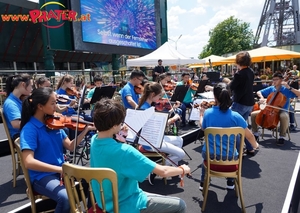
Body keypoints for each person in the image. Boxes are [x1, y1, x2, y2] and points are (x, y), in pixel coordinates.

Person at [90, 98, 190, 213]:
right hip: (126, 203)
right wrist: (183, 169)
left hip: (104, 201)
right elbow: (163, 171)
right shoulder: (125, 151)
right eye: (121, 122)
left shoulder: (94, 140)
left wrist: (121, 137)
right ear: (114, 126)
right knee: (180, 205)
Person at [19, 87, 95, 213]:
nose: (57, 106)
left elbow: (70, 146)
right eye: (53, 103)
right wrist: (60, 169)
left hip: (61, 170)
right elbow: (28, 162)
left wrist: (85, 130)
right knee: (65, 198)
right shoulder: (30, 129)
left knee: (93, 180)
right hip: (42, 176)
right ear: (40, 106)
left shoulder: (53, 123)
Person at [198, 82, 259, 190]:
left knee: (205, 161)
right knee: (233, 153)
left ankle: (203, 182)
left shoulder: (208, 113)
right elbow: (249, 136)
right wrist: (255, 145)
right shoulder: (236, 116)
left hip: (210, 155)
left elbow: (203, 128)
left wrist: (201, 114)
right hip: (230, 157)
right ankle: (230, 182)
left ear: (215, 96)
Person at [138, 82, 185, 169]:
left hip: (155, 138)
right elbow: (159, 125)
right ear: (153, 94)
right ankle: (158, 169)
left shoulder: (147, 105)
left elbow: (160, 119)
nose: (160, 98)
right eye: (159, 95)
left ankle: (173, 168)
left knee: (180, 140)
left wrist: (172, 110)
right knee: (181, 153)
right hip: (151, 142)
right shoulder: (146, 108)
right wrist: (174, 119)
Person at [251, 72, 300, 146]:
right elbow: (259, 92)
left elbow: (298, 94)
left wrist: (289, 87)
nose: (274, 81)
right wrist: (261, 98)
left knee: (284, 116)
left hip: (282, 110)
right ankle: (255, 133)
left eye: (276, 79)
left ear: (281, 80)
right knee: (253, 114)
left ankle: (282, 136)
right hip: (269, 109)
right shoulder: (271, 88)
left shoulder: (286, 89)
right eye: (273, 79)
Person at [229, 51, 256, 155]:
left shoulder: (239, 74)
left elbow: (230, 87)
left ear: (238, 61)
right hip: (249, 103)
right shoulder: (251, 71)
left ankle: (240, 151)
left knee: (235, 128)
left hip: (240, 103)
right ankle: (250, 148)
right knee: (243, 126)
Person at [3, 74, 33, 140]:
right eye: (31, 86)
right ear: (23, 85)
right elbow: (16, 124)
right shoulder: (11, 103)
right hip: (20, 135)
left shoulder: (19, 99)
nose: (32, 89)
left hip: (25, 132)